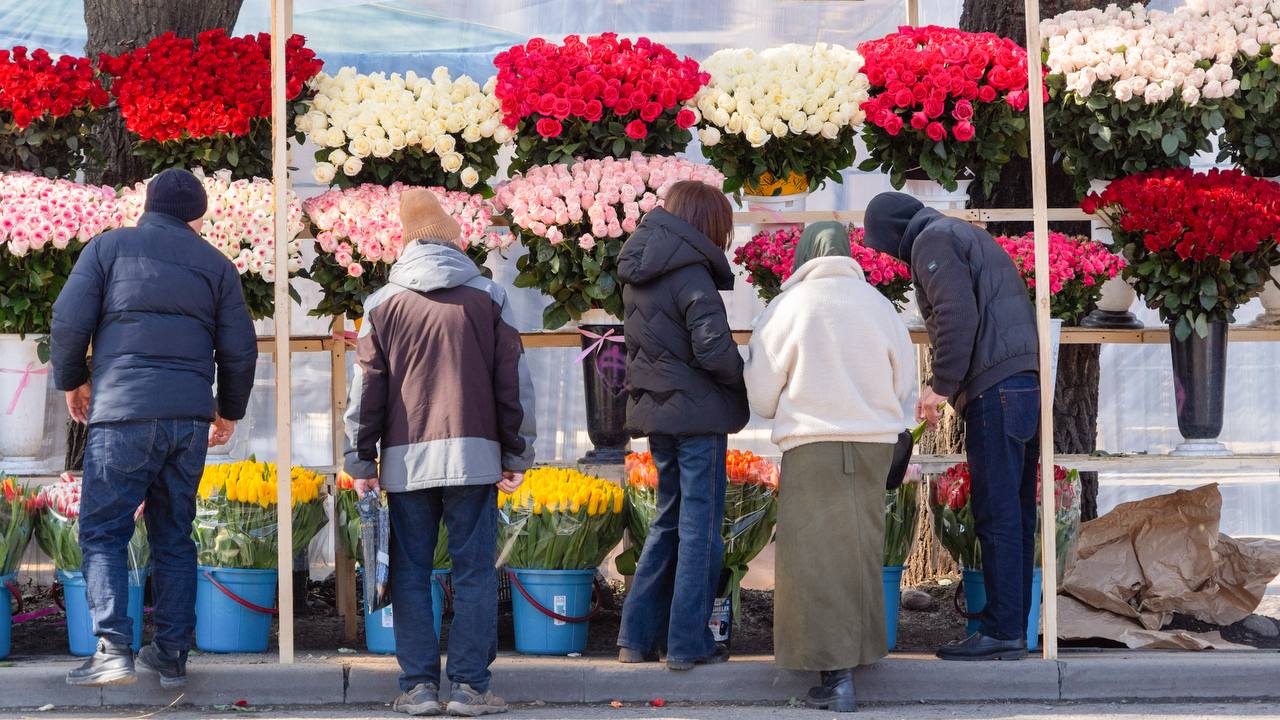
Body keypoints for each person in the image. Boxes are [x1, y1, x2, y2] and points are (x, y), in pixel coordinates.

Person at [50, 168, 258, 687]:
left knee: (103, 532)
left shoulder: (108, 248)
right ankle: (169, 652)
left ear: (147, 205)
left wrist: (74, 380)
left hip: (123, 412)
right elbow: (240, 349)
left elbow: (68, 321)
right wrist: (227, 410)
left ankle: (112, 648)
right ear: (199, 215)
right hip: (188, 419)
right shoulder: (217, 265)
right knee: (173, 535)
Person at [344, 188, 536, 717]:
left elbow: (366, 392)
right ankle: (471, 689)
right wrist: (516, 454)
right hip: (476, 457)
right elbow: (513, 384)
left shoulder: (382, 305)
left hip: (407, 461)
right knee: (474, 572)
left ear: (405, 244)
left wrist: (360, 461)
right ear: (454, 243)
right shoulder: (489, 298)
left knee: (410, 570)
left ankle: (419, 688)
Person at [744, 221, 917, 712]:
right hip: (873, 446)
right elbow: (905, 380)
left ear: (803, 254)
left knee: (814, 562)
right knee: (859, 554)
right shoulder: (880, 306)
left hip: (813, 445)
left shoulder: (789, 307)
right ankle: (857, 659)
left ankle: (836, 678)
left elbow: (760, 392)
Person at [863, 192, 1041, 661]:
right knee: (1016, 511)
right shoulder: (958, 232)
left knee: (997, 511)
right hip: (1022, 384)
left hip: (996, 388)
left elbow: (956, 315)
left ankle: (1003, 630)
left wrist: (939, 386)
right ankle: (1012, 626)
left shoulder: (932, 241)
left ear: (893, 235)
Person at [615, 180, 749, 671]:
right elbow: (712, 348)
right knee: (699, 530)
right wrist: (742, 380)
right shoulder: (692, 273)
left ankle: (635, 637)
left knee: (667, 522)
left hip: (657, 414)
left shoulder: (639, 270)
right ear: (708, 224)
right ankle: (688, 643)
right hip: (696, 415)